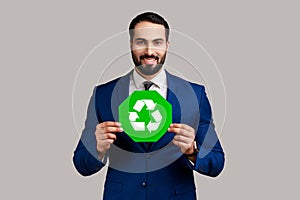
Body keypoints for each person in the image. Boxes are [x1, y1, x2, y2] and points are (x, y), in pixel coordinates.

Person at [73, 12, 225, 200]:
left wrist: (192, 152)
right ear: (130, 44)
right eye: (141, 42)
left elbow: (217, 162)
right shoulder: (103, 94)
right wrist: (97, 149)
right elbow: (81, 164)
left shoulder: (194, 94)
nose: (149, 51)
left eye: (157, 42)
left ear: (167, 46)